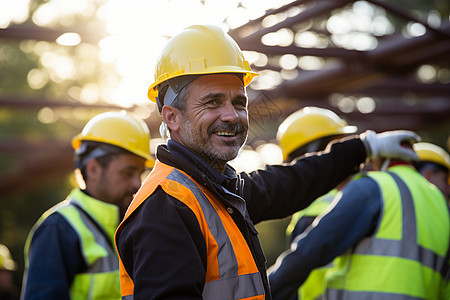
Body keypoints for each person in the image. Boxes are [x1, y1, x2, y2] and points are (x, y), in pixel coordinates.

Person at [114, 24, 420, 300]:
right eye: (212, 101)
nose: (231, 116)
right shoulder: (167, 206)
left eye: (239, 102)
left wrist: (363, 147)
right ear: (172, 117)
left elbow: (289, 182)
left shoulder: (212, 191)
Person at [268, 142, 450, 299]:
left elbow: (312, 249)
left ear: (376, 157)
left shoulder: (373, 187)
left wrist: (265, 291)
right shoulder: (442, 205)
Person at [21, 111, 154, 300]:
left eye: (139, 173)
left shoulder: (133, 225)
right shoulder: (58, 229)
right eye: (127, 173)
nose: (137, 184)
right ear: (93, 169)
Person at [277, 106, 357, 300]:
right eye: (339, 146)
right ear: (316, 155)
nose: (351, 153)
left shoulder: (310, 208)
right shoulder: (322, 209)